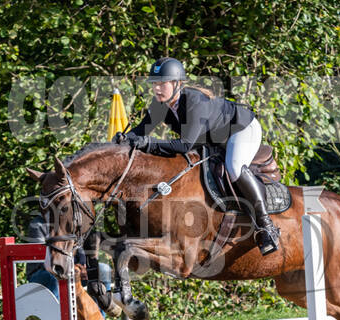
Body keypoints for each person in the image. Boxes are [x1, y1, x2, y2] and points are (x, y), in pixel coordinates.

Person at [114, 57, 280, 255]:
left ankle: (266, 225)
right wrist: (123, 139)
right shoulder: (160, 105)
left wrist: (148, 143)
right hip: (213, 139)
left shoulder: (194, 101)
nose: (157, 88)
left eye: (162, 83)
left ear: (177, 84)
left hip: (241, 129)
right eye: (154, 84)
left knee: (234, 167)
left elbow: (184, 145)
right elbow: (142, 130)